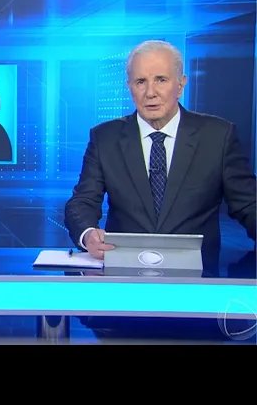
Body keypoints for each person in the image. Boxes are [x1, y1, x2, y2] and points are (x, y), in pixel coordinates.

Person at [64, 39, 256, 270]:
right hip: (124, 275)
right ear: (129, 87)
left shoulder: (218, 136)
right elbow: (83, 201)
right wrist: (88, 234)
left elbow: (249, 204)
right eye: (141, 82)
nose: (150, 93)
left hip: (199, 279)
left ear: (181, 85)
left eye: (161, 80)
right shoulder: (105, 138)